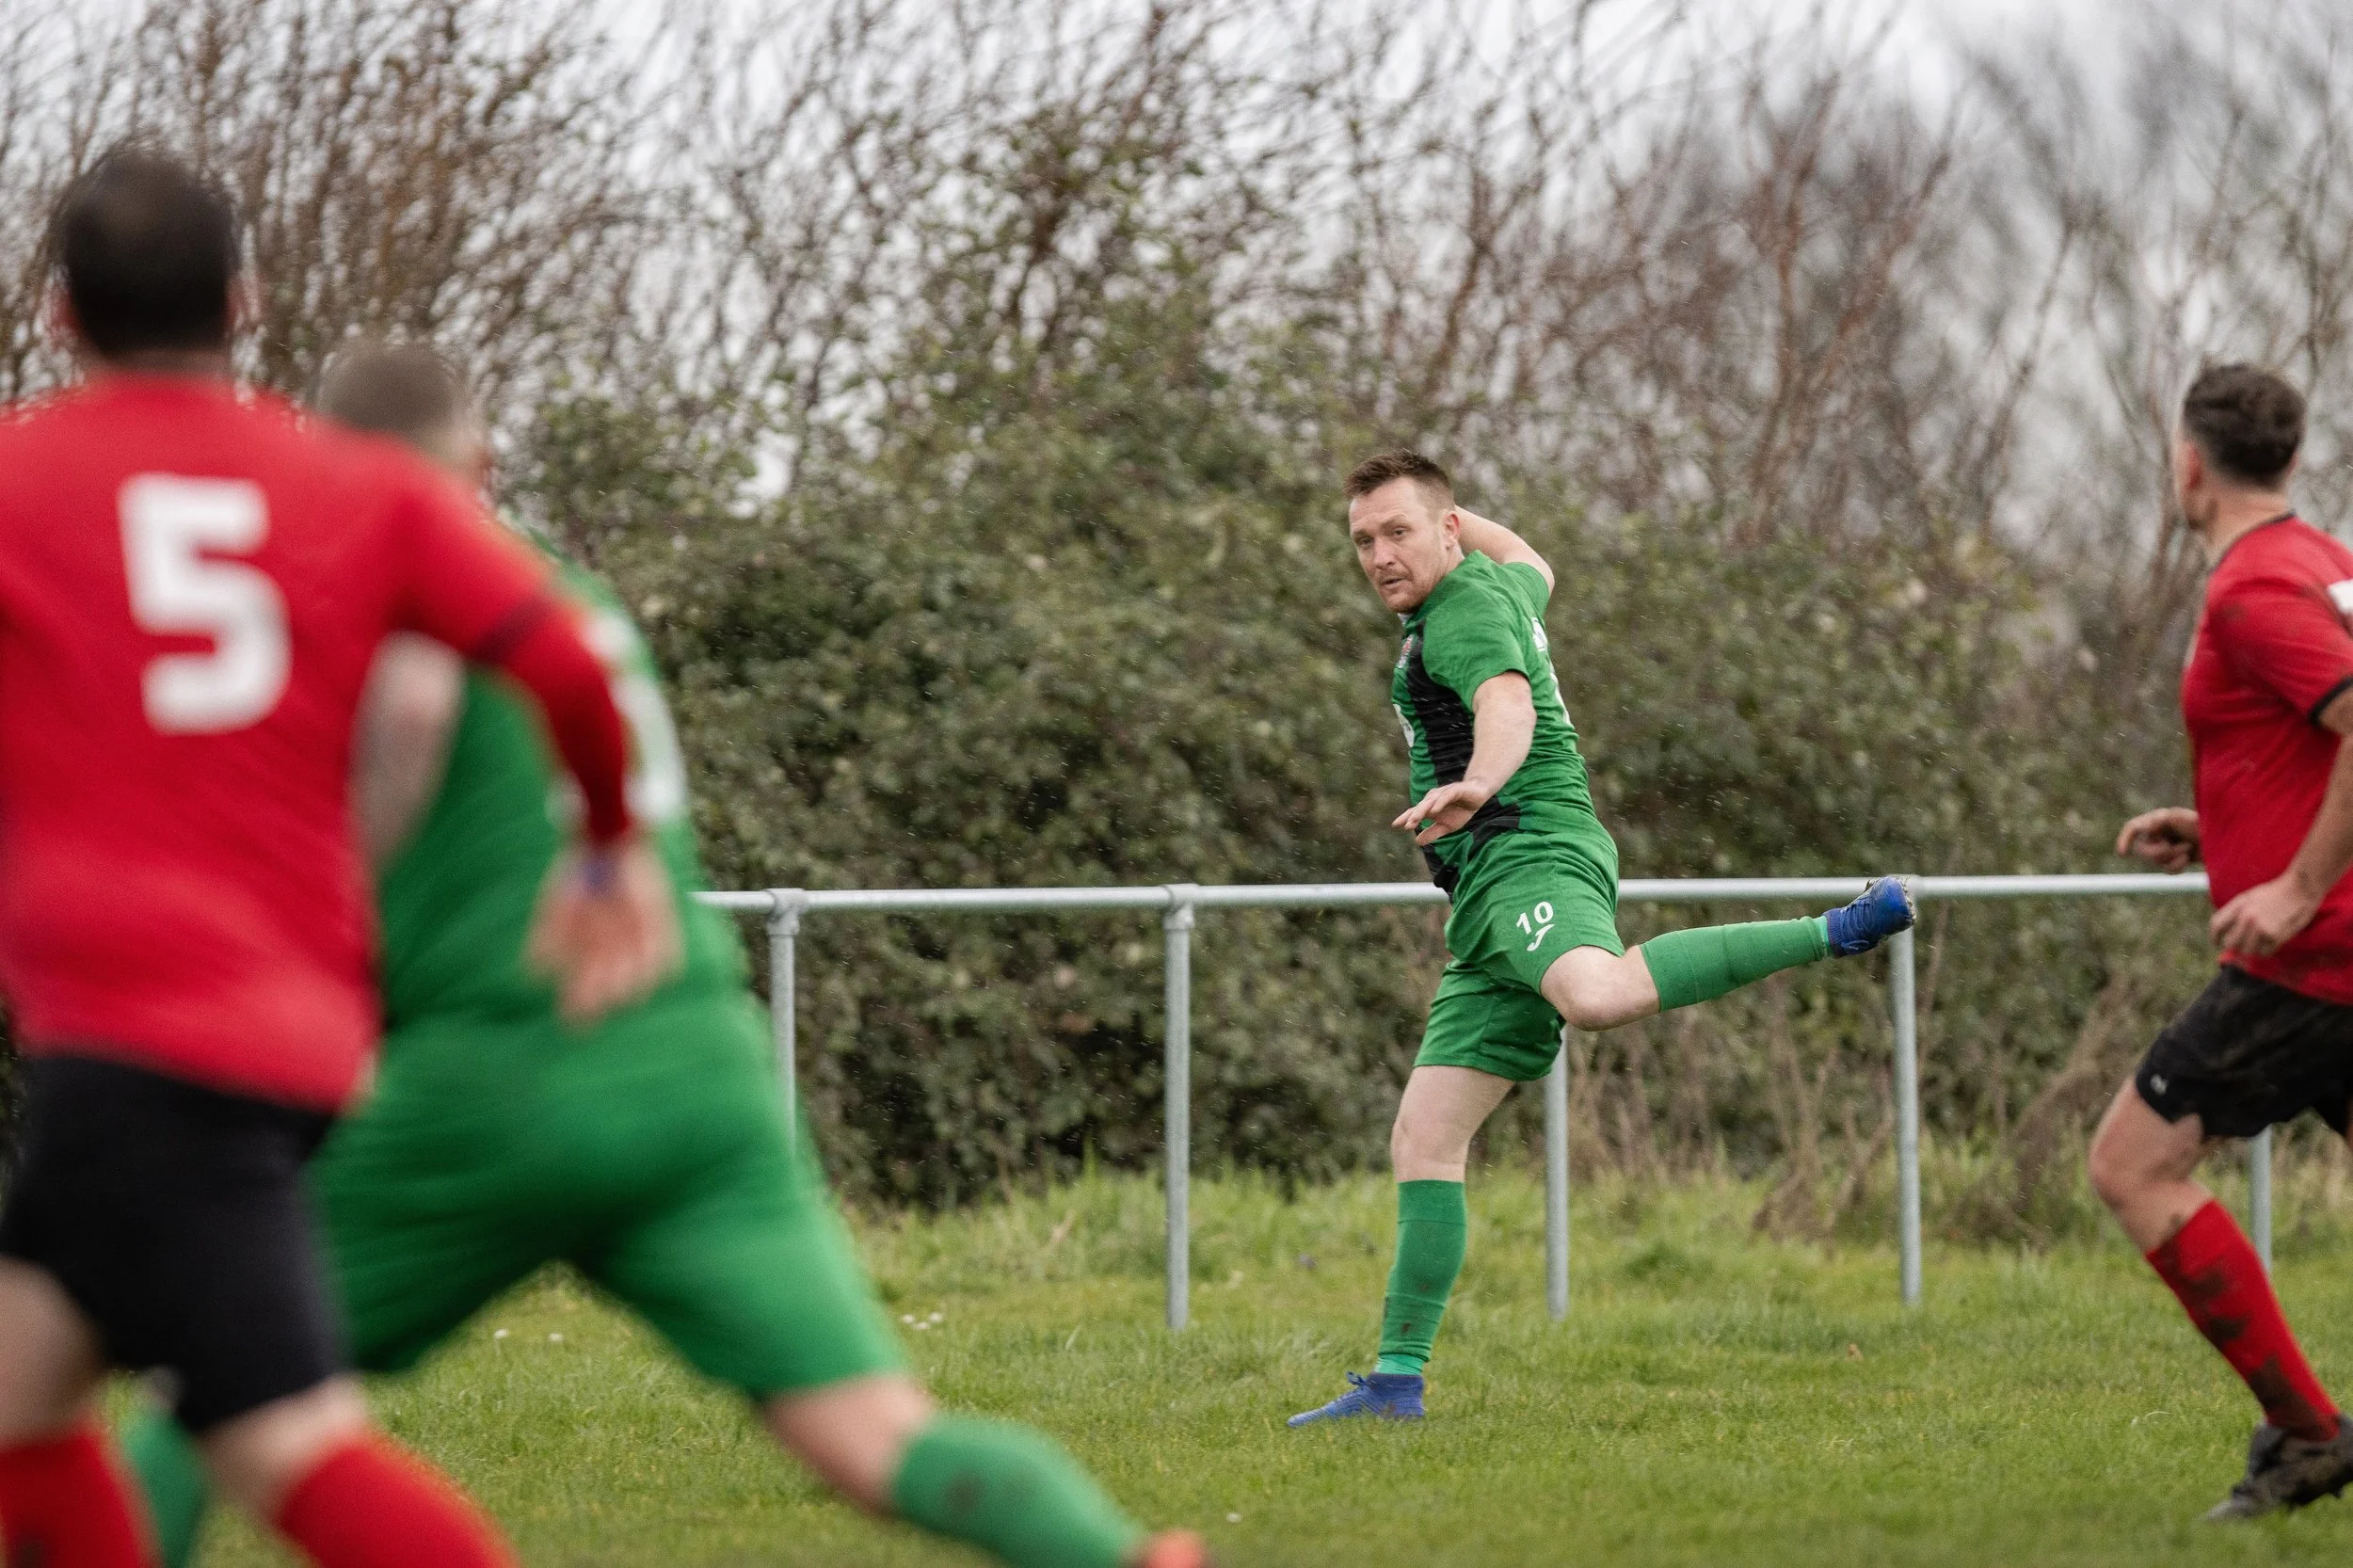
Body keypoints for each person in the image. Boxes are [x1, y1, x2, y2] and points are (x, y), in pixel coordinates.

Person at [122, 343, 1210, 1568]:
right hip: (696, 1073)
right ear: (479, 462)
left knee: (205, 1392)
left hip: (499, 1075)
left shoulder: (397, 593)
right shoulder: (573, 595)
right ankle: (1128, 1557)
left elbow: (416, 704)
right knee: (879, 1438)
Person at [0, 150, 678, 1568]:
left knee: (286, 1446)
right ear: (244, 303)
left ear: (61, 314)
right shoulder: (355, 486)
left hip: (146, 1039)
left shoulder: (21, 478)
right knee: (23, 1403)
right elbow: (564, 663)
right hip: (285, 1026)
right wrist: (608, 853)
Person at [1288, 450, 1915, 1427]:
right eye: (1363, 539)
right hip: (1485, 900)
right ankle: (1395, 1384)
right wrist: (1448, 518)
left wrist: (1480, 783)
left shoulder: (1463, 615)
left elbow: (1505, 704)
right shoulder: (1497, 578)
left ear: (1446, 531)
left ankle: (1838, 927)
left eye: (1398, 531)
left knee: (1597, 994)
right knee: (1424, 1135)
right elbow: (1537, 556)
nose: (1377, 554)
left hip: (1530, 853)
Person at [2100, 363, 2353, 1520]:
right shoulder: (2321, 563)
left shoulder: (2255, 589)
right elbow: (2308, 747)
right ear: (2291, 462)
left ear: (2188, 464)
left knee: (2130, 1163)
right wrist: (2225, 835)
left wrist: (2294, 890)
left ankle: (2308, 1436)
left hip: (2314, 965)